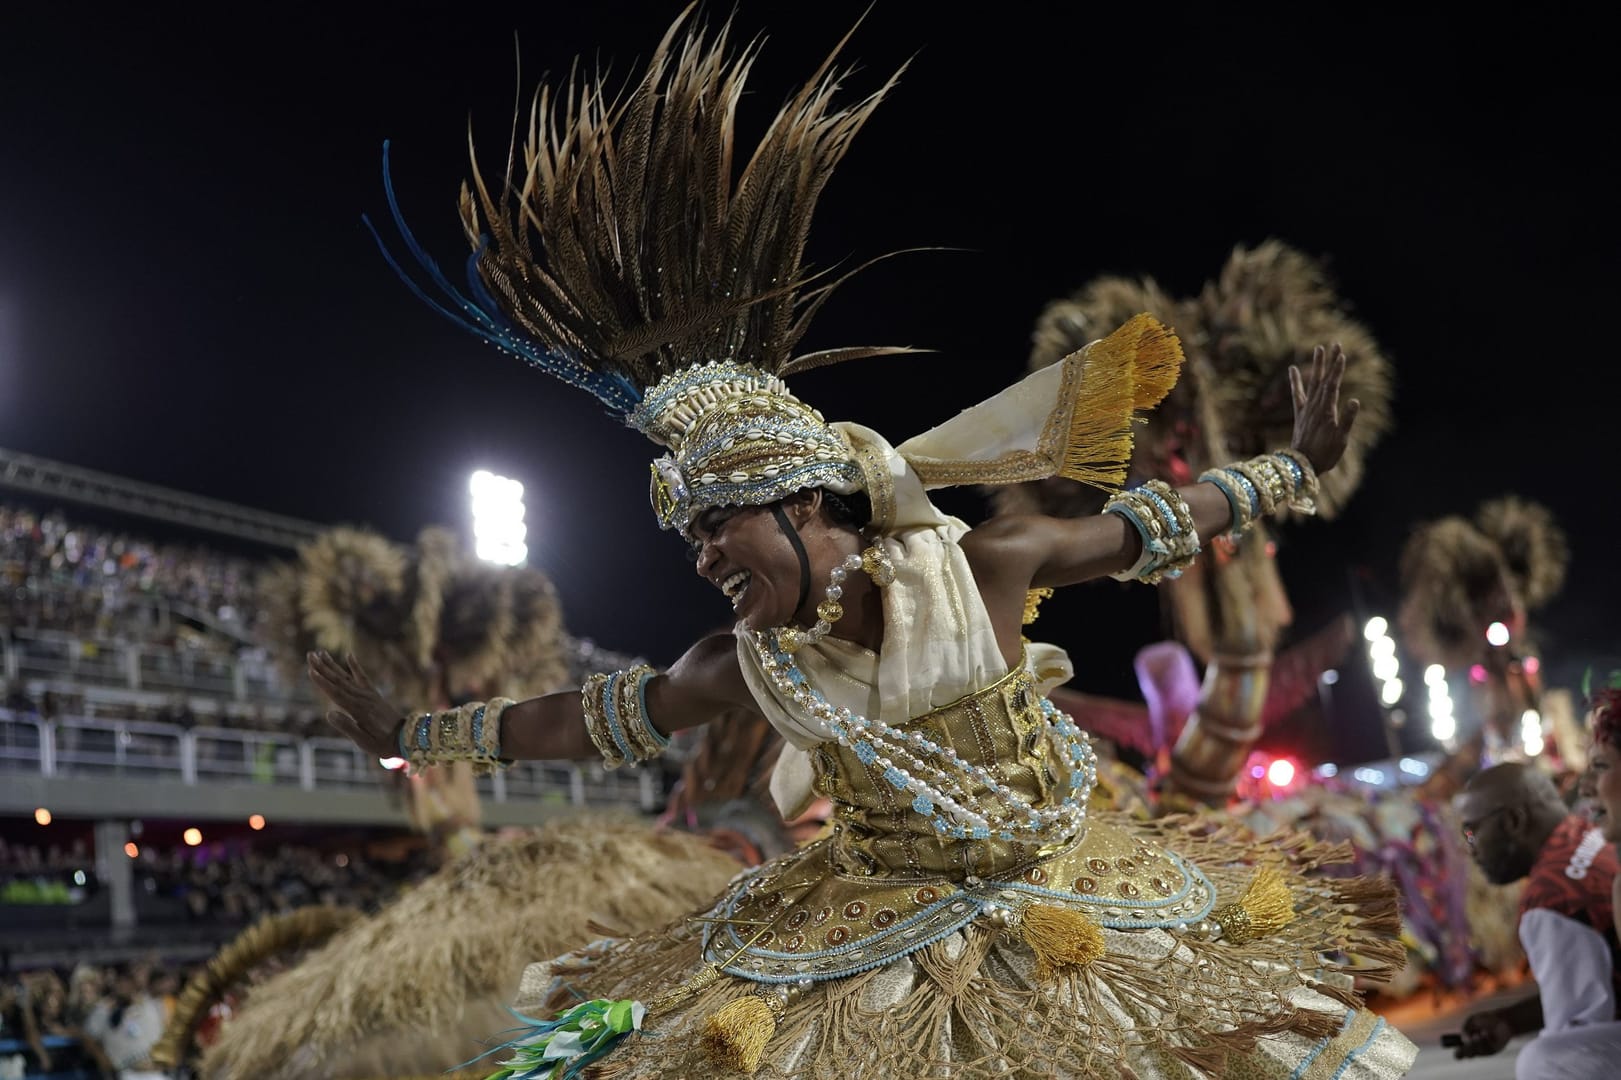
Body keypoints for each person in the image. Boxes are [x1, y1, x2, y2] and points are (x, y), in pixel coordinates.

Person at [310, 12, 1416, 1078]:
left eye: (716, 525)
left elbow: (1150, 527)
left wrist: (1290, 470)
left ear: (805, 504)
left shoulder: (985, 567)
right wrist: (417, 731)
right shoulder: (742, 665)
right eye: (688, 536)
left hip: (1075, 905)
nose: (699, 557)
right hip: (875, 960)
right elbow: (581, 719)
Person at [1454, 761, 1621, 1075]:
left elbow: (1582, 1030)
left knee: (1543, 1061)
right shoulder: (1587, 835)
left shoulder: (1551, 899)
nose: (1471, 850)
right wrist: (1510, 1021)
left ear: (1515, 820)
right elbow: (1597, 985)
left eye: (1472, 833)